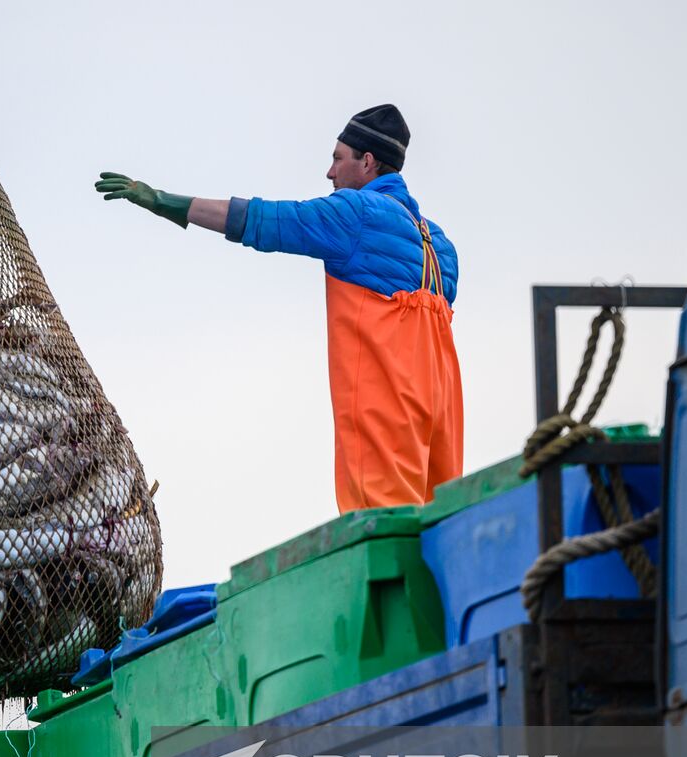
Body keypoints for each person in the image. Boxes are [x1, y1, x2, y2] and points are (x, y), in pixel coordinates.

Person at [96, 104, 463, 512]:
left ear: (368, 162)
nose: (329, 173)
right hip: (439, 414)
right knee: (440, 524)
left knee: (382, 527)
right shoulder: (441, 246)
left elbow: (262, 220)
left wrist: (163, 201)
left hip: (387, 407)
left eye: (337, 158)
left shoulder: (355, 215)